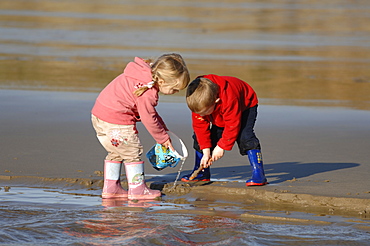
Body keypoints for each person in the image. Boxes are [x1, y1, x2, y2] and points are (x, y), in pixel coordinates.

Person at [91, 53, 190, 200]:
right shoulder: (148, 90)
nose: (174, 93)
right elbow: (148, 117)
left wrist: (164, 129)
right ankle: (137, 190)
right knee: (132, 152)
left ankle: (111, 188)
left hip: (100, 116)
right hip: (116, 121)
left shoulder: (140, 75)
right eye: (174, 89)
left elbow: (151, 113)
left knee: (117, 152)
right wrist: (162, 138)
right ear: (162, 81)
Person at [181, 74, 268, 186]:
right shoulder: (197, 97)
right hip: (219, 109)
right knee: (200, 138)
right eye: (198, 113)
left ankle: (259, 175)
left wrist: (222, 146)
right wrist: (206, 151)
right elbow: (200, 128)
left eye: (204, 113)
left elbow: (232, 125)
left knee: (245, 137)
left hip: (245, 105)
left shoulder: (229, 98)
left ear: (216, 101)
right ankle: (201, 173)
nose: (201, 116)